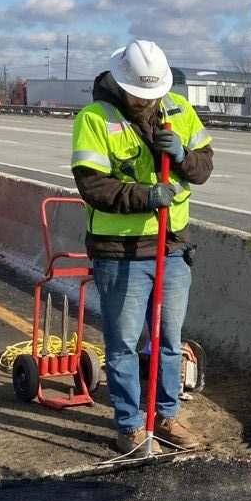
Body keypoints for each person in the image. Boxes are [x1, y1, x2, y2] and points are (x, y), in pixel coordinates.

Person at [71, 39, 213, 455]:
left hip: (172, 247)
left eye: (153, 93)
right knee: (123, 344)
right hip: (121, 252)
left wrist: (185, 156)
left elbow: (203, 169)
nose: (146, 101)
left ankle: (166, 416)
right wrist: (148, 196)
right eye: (139, 93)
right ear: (120, 82)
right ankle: (130, 425)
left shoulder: (179, 111)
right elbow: (93, 185)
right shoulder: (95, 118)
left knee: (169, 340)